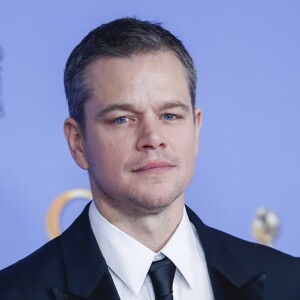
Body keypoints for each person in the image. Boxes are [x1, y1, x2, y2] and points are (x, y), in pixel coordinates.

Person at [0, 17, 299, 300]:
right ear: (78, 142)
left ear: (195, 129)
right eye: (122, 119)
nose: (152, 138)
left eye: (170, 115)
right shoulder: (14, 292)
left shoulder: (289, 281)